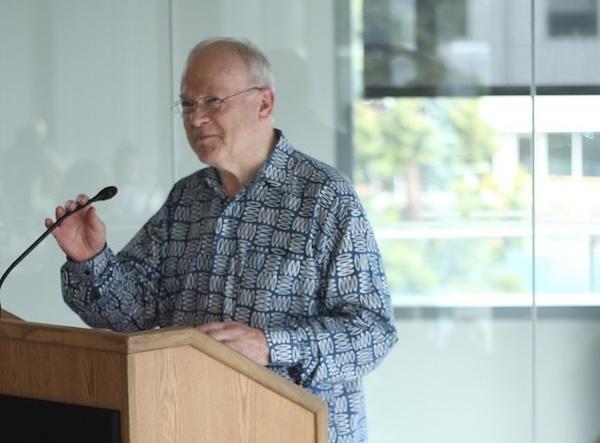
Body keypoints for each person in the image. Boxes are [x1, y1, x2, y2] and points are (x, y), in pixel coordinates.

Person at [46, 37, 397, 442]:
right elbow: (133, 314)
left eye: (213, 100)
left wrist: (270, 346)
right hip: (194, 424)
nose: (196, 119)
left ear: (264, 103)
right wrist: (91, 260)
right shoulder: (186, 199)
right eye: (188, 105)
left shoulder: (325, 197)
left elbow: (372, 333)